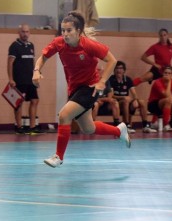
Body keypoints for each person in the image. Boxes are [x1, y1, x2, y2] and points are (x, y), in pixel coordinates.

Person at [32, 11, 131, 168]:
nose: (65, 34)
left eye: (69, 30)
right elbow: (43, 57)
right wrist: (37, 70)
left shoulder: (89, 45)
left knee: (64, 115)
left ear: (78, 32)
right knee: (88, 128)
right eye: (63, 30)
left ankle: (58, 156)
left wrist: (102, 81)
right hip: (75, 89)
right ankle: (120, 131)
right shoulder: (58, 43)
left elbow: (112, 60)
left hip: (90, 88)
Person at [7, 24, 43, 135]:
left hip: (30, 80)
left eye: (27, 32)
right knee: (19, 103)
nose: (25, 34)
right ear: (19, 32)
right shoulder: (14, 46)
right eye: (23, 32)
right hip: (19, 80)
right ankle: (19, 126)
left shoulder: (31, 46)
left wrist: (36, 74)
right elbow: (9, 63)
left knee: (34, 100)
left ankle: (32, 127)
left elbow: (32, 62)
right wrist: (11, 79)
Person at [108, 61, 157, 133]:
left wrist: (136, 100)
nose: (119, 70)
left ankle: (145, 126)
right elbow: (112, 95)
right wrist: (123, 97)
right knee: (126, 101)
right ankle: (127, 126)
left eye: (121, 68)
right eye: (117, 68)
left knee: (142, 102)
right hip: (117, 103)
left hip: (127, 101)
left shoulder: (127, 79)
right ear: (114, 70)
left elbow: (134, 93)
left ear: (124, 70)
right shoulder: (111, 79)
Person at [148, 66, 172, 132]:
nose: (167, 74)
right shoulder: (157, 82)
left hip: (165, 102)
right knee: (168, 100)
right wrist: (169, 82)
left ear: (171, 74)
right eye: (165, 73)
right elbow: (166, 95)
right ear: (163, 73)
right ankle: (166, 125)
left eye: (169, 73)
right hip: (153, 104)